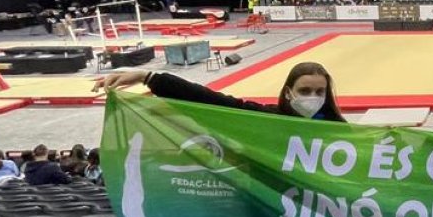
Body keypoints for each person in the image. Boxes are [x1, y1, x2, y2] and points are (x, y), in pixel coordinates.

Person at [94, 62, 346, 122]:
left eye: (319, 91)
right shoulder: (266, 119)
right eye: (305, 90)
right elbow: (210, 99)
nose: (312, 97)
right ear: (289, 92)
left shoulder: (339, 130)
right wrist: (147, 76)